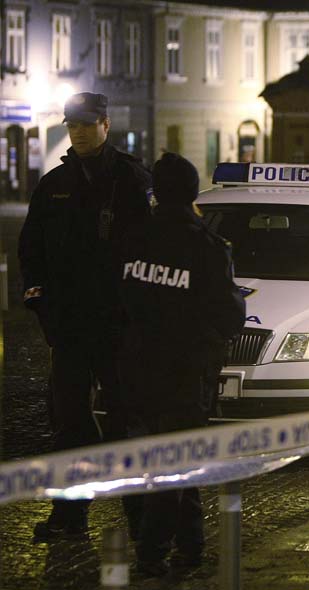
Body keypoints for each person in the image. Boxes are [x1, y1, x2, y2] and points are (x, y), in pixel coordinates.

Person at [18, 92, 152, 540]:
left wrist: (137, 316)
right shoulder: (54, 184)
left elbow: (151, 251)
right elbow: (31, 252)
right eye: (72, 125)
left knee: (126, 421)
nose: (78, 132)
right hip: (70, 327)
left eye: (87, 124)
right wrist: (41, 306)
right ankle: (69, 516)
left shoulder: (132, 181)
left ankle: (142, 521)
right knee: (70, 422)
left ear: (106, 125)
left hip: (118, 327)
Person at [119, 152, 245, 577]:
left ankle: (190, 547)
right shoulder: (206, 248)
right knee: (174, 465)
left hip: (136, 372)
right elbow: (230, 317)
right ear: (193, 195)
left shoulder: (132, 239)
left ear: (157, 193)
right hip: (184, 376)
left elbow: (117, 302)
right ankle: (151, 554)